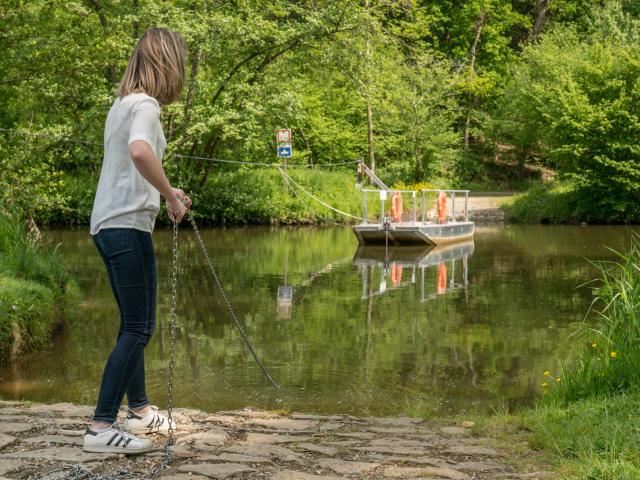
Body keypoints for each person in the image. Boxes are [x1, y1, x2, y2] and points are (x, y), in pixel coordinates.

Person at [83, 28, 192, 454]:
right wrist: (168, 195)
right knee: (140, 326)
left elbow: (135, 165)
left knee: (132, 322)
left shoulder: (122, 104)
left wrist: (166, 192)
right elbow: (141, 152)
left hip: (109, 225)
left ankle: (141, 410)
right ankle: (100, 427)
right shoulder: (146, 105)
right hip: (126, 227)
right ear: (167, 64)